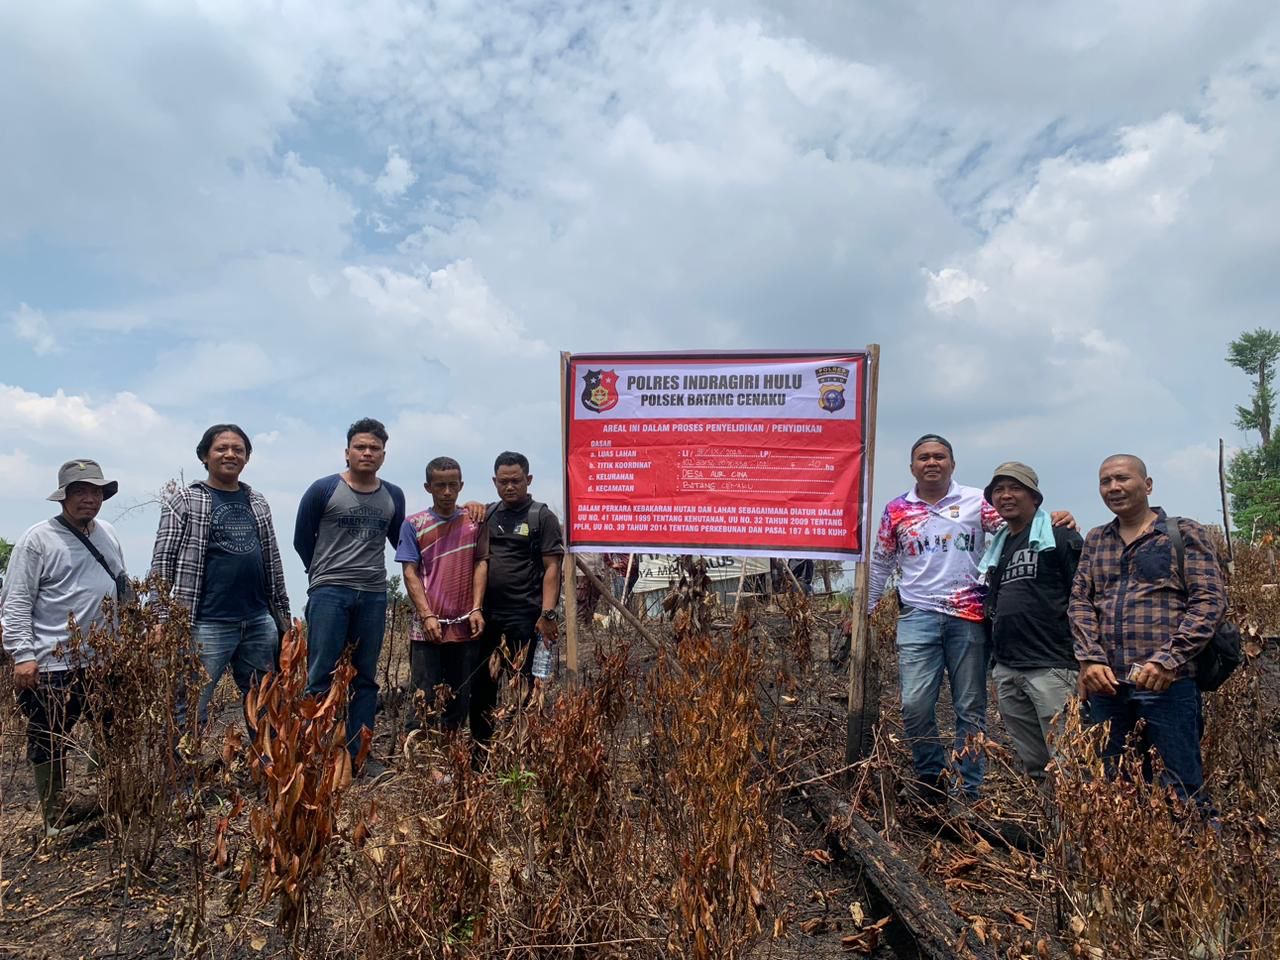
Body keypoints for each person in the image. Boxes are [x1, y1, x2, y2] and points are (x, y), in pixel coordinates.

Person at [867, 435, 1071, 801]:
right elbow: (882, 561)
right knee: (914, 705)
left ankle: (968, 788)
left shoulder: (977, 502)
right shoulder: (896, 510)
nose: (932, 462)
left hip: (969, 616)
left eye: (939, 456)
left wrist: (1053, 520)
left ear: (952, 464)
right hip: (917, 615)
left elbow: (1019, 526)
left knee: (970, 708)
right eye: (924, 457)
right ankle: (931, 776)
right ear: (912, 466)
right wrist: (864, 609)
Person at [1069, 454, 1227, 805]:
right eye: (1105, 481)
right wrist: (1090, 659)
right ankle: (1133, 860)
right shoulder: (1096, 539)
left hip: (1167, 683)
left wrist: (1168, 660)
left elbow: (1209, 602)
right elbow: (1080, 602)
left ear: (1148, 484)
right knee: (1117, 786)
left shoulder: (1182, 533)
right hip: (1108, 686)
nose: (1113, 487)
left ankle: (1193, 854)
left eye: (1122, 478)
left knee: (1181, 786)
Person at [2, 459, 126, 836]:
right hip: (52, 663)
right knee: (49, 737)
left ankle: (103, 798)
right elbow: (16, 601)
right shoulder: (37, 540)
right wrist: (23, 656)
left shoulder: (107, 532)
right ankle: (56, 815)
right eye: (80, 491)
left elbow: (121, 584)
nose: (89, 499)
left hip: (105, 660)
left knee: (112, 731)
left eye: (96, 492)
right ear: (64, 497)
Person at [150, 425, 291, 731]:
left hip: (257, 620)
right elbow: (163, 562)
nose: (230, 454)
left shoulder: (257, 501)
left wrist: (283, 616)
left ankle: (266, 772)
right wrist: (160, 616)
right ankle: (183, 778)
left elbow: (272, 560)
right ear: (204, 456)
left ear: (247, 457)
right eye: (221, 448)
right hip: (205, 623)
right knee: (188, 708)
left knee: (266, 704)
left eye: (238, 449)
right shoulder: (186, 500)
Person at [295, 418, 405, 778]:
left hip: (373, 594)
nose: (367, 453)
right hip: (330, 591)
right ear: (347, 452)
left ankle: (360, 755)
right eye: (360, 447)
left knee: (365, 678)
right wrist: (323, 576)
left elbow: (400, 543)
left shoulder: (393, 495)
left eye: (374, 448)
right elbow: (302, 540)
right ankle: (315, 753)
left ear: (383, 455)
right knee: (320, 675)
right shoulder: (323, 490)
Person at [978, 462, 1082, 783]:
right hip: (1009, 670)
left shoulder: (1060, 535)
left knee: (1068, 761)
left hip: (1052, 667)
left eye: (1015, 488)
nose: (1006, 496)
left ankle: (1078, 832)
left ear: (1034, 497)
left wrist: (1088, 660)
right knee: (1034, 764)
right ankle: (1052, 832)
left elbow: (1085, 598)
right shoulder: (999, 547)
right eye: (999, 490)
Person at [471, 451, 564, 746]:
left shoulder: (542, 517)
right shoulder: (487, 514)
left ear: (528, 480)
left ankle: (523, 750)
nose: (509, 487)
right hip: (488, 617)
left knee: (525, 686)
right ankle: (480, 752)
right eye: (503, 481)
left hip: (526, 617)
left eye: (516, 481)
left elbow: (553, 568)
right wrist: (469, 505)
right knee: (482, 688)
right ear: (494, 482)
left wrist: (547, 615)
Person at [395, 456, 488, 733]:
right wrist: (426, 615)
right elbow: (410, 572)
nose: (447, 492)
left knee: (459, 698)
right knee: (424, 696)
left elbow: (480, 563)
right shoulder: (413, 524)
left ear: (461, 486)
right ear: (428, 487)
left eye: (452, 485)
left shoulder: (473, 522)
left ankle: (450, 761)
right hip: (427, 628)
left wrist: (477, 608)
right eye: (440, 486)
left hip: (464, 625)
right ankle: (420, 761)